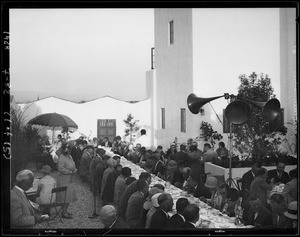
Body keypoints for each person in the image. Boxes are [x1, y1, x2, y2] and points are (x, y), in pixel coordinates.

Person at [56, 143, 77, 219]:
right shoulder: (62, 157)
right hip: (63, 179)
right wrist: (70, 172)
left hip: (69, 179)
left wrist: (74, 169)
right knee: (64, 196)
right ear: (66, 149)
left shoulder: (69, 156)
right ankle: (64, 212)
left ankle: (65, 210)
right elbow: (60, 168)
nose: (71, 151)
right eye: (70, 149)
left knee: (69, 196)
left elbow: (72, 164)